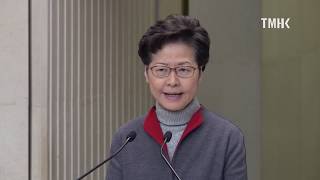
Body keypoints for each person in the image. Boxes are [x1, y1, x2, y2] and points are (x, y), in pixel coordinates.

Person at [106, 15, 247, 180]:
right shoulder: (125, 139)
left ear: (200, 73)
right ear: (146, 73)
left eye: (184, 70)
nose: (172, 82)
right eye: (161, 70)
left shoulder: (227, 138)